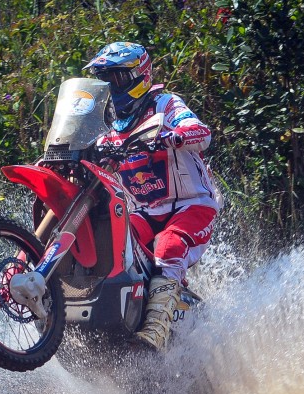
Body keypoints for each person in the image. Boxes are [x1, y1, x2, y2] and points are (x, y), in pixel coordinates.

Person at [84, 41, 222, 350]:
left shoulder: (165, 104)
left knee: (168, 245)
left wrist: (174, 136)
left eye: (117, 78)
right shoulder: (108, 123)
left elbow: (201, 131)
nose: (111, 86)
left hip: (192, 205)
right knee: (108, 241)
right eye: (105, 79)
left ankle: (154, 335)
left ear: (139, 77)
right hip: (146, 211)